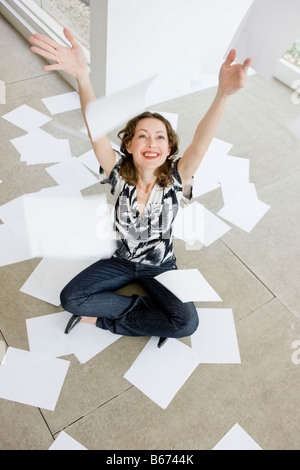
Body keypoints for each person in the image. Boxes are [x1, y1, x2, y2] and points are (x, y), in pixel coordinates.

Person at [29, 28, 250, 344]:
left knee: (187, 323)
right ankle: (148, 313)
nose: (152, 141)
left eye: (160, 136)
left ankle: (110, 321)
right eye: (143, 135)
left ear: (169, 148)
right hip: (120, 262)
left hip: (161, 266)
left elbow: (201, 144)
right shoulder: (117, 172)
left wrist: (222, 94)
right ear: (129, 145)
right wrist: (82, 77)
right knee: (71, 299)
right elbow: (95, 131)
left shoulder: (177, 176)